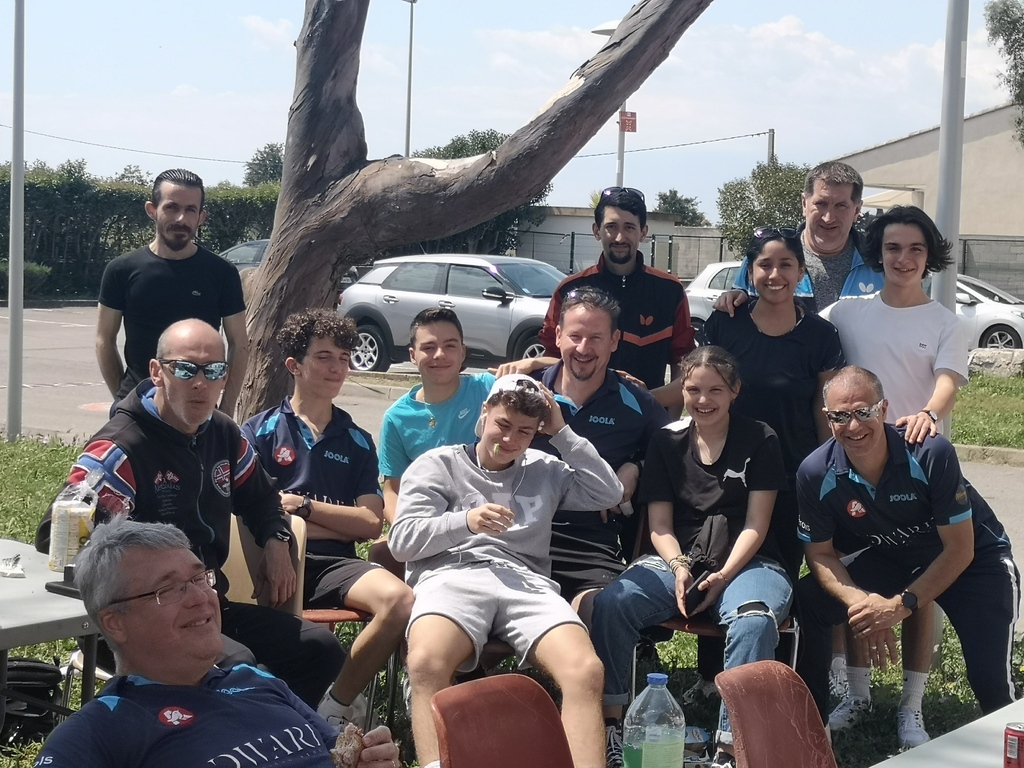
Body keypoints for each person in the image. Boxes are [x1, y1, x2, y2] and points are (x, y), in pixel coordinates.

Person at [39, 318, 343, 707]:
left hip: (208, 604)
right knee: (236, 669)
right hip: (142, 617)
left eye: (213, 371)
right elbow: (55, 533)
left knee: (318, 649)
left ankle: (281, 736)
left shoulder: (224, 434)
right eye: (185, 369)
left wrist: (276, 541)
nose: (200, 383)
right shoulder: (121, 449)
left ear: (225, 378)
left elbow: (262, 497)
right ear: (157, 372)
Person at [389, 374, 623, 768]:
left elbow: (609, 492)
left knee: (586, 670)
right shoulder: (437, 465)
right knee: (427, 662)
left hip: (526, 582)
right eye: (503, 424)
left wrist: (562, 433)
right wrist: (465, 522)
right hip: (452, 577)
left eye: (525, 432)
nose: (510, 440)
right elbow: (402, 541)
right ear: (484, 412)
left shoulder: (544, 468)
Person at [37, 516, 401, 768]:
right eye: (170, 589)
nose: (201, 598)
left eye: (200, 579)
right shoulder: (102, 731)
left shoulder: (258, 682)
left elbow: (339, 753)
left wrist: (370, 758)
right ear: (115, 623)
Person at [591, 346, 792, 768]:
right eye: (693, 389)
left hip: (747, 561)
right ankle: (611, 725)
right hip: (679, 558)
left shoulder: (761, 438)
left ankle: (731, 748)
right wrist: (680, 567)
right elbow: (660, 525)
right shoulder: (666, 441)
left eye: (715, 390)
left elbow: (757, 524)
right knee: (612, 604)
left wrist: (724, 575)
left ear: (735, 390)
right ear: (681, 390)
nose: (703, 400)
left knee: (754, 620)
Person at [795, 366, 1019, 734]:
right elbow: (819, 555)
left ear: (883, 409)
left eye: (863, 412)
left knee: (990, 682)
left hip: (975, 561)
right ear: (827, 417)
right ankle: (810, 730)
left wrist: (898, 607)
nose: (853, 426)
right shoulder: (814, 472)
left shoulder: (931, 453)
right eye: (840, 416)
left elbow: (959, 550)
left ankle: (1013, 739)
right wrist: (862, 603)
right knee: (808, 599)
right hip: (896, 555)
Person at [820, 207, 969, 746]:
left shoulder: (946, 322)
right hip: (852, 469)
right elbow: (793, 322)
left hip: (917, 472)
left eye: (915, 249)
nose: (903, 259)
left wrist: (928, 412)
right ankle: (854, 694)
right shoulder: (847, 312)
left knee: (920, 586)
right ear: (877, 255)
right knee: (849, 577)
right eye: (892, 248)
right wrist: (735, 301)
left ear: (930, 257)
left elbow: (948, 380)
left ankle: (912, 707)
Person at [242, 309, 414, 727]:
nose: (337, 367)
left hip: (335, 564)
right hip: (272, 558)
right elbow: (252, 512)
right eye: (324, 356)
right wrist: (326, 522)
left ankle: (337, 705)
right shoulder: (258, 432)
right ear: (294, 365)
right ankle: (276, 718)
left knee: (401, 601)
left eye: (343, 358)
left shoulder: (357, 440)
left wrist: (301, 507)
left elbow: (370, 523)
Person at [531, 287, 670, 619]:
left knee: (602, 610)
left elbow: (675, 456)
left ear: (614, 340)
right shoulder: (526, 392)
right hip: (523, 534)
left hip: (591, 544)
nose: (583, 348)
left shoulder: (636, 402)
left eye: (595, 338)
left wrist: (636, 467)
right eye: (575, 336)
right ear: (558, 335)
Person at [96, 169, 249, 414]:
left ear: (201, 217)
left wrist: (226, 409)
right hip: (136, 409)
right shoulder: (121, 270)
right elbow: (104, 339)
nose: (181, 218)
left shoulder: (221, 272)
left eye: (190, 210)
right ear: (152, 210)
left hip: (198, 409)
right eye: (171, 207)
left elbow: (239, 343)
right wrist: (123, 401)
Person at [537, 186, 695, 390]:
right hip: (580, 409)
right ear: (597, 231)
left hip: (650, 409)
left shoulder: (670, 290)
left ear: (643, 232)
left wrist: (649, 406)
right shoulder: (569, 290)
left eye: (629, 227)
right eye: (611, 227)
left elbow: (684, 365)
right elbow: (552, 357)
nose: (620, 237)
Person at [378, 308, 494, 525]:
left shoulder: (489, 388)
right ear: (412, 355)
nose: (440, 355)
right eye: (428, 348)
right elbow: (393, 490)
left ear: (463, 352)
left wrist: (533, 363)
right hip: (432, 525)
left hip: (490, 518)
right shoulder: (396, 418)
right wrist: (405, 530)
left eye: (450, 346)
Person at [717, 161, 879, 315]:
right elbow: (738, 312)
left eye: (841, 206)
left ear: (856, 210)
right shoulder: (764, 257)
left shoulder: (879, 262)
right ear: (804, 204)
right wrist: (733, 299)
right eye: (821, 204)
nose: (828, 218)